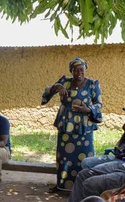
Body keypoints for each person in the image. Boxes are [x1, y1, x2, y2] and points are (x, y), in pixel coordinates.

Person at [42, 57, 103, 192]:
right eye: (75, 70)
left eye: (81, 69)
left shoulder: (92, 84)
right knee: (64, 155)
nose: (79, 72)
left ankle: (84, 187)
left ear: (85, 70)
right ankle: (62, 185)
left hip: (84, 126)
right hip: (66, 124)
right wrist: (57, 87)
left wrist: (88, 109)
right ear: (71, 71)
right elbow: (47, 91)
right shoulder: (65, 82)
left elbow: (99, 104)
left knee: (85, 156)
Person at [81, 101, 125, 170]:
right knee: (86, 162)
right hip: (119, 156)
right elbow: (122, 141)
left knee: (95, 169)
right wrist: (118, 147)